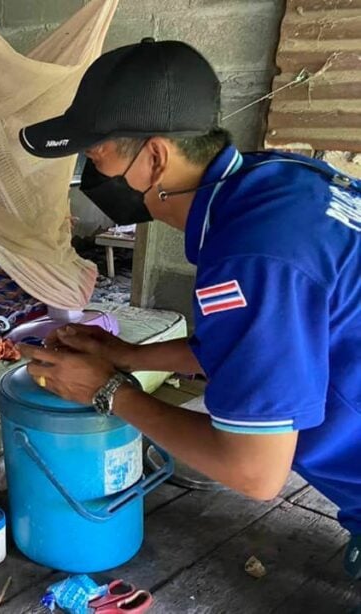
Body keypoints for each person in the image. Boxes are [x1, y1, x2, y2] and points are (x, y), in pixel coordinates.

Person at [18, 38, 361, 578]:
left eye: (96, 156)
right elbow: (253, 346)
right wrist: (129, 355)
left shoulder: (252, 253)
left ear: (155, 156)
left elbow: (255, 474)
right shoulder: (278, 181)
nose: (91, 174)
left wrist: (105, 391)